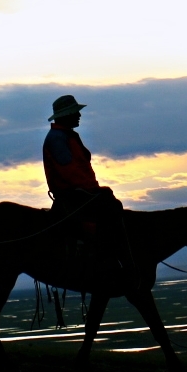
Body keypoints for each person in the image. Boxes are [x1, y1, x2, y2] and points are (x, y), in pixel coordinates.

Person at [41, 94, 132, 279]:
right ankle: (105, 259)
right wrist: (94, 191)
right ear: (66, 115)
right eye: (75, 112)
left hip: (80, 191)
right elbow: (70, 172)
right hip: (72, 193)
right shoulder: (58, 138)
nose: (79, 115)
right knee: (110, 209)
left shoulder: (65, 136)